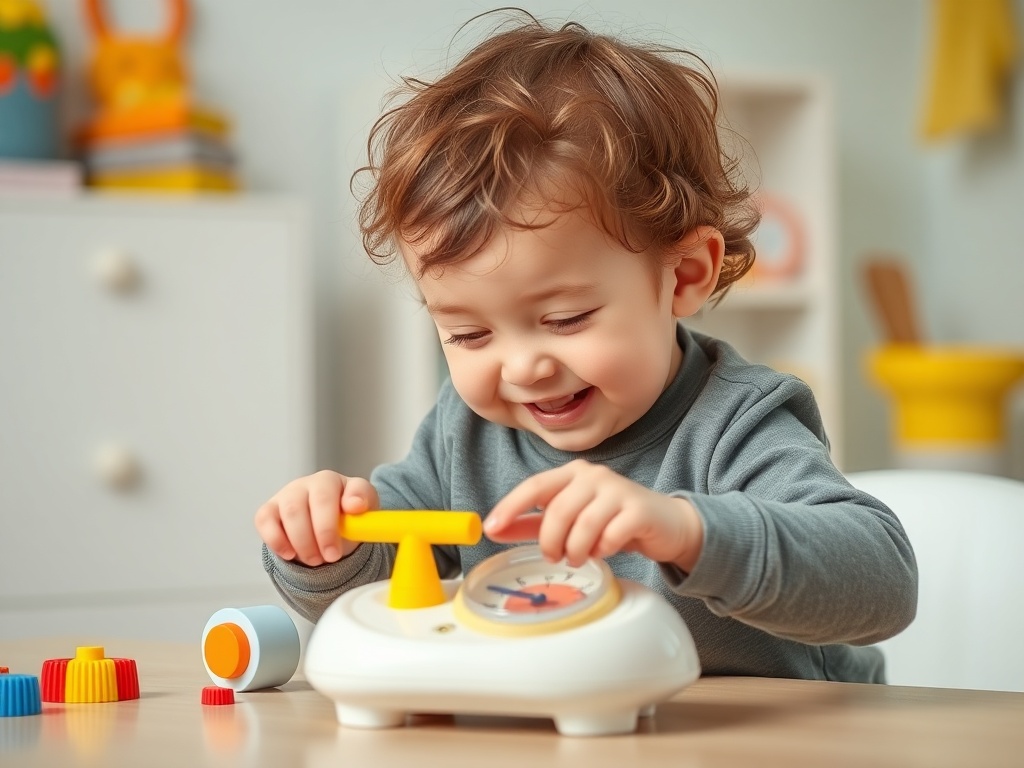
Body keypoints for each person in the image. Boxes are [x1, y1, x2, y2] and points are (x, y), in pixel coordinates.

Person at [255, 10, 917, 683]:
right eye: (469, 333)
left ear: (684, 274)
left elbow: (882, 582)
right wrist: (326, 547)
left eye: (566, 318)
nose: (521, 367)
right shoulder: (466, 430)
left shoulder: (739, 422)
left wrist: (687, 530)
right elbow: (384, 593)